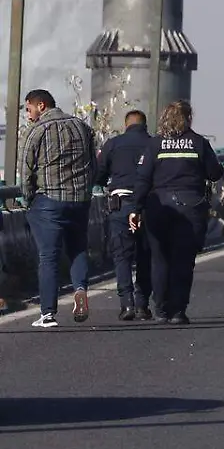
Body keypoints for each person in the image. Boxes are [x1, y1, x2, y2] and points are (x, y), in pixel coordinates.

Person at [129, 101, 224, 324]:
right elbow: (214, 172)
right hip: (190, 208)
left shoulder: (155, 145)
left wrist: (135, 209)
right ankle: (178, 311)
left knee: (159, 259)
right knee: (183, 260)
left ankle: (161, 309)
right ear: (188, 118)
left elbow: (143, 179)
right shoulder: (199, 143)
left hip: (158, 207)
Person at [20, 89, 97, 328]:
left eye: (28, 109)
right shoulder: (82, 126)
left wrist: (28, 199)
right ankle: (81, 289)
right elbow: (93, 164)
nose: (28, 115)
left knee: (49, 256)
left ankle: (48, 314)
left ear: (41, 105)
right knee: (78, 248)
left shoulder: (37, 131)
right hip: (80, 200)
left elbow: (25, 171)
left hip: (48, 202)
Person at [94, 109, 154, 320]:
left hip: (120, 206)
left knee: (122, 257)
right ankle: (142, 304)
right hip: (148, 207)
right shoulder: (154, 144)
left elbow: (98, 174)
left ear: (126, 125)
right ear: (145, 126)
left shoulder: (113, 144)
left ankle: (126, 304)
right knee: (147, 256)